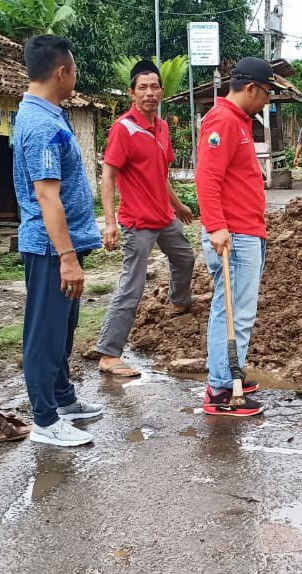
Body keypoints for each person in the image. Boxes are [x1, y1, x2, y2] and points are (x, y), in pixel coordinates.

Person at [11, 35, 104, 446]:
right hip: (50, 248)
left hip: (61, 247)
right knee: (44, 333)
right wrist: (67, 256)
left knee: (62, 330)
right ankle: (45, 421)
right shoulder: (42, 125)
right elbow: (47, 195)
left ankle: (64, 400)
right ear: (62, 71)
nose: (76, 76)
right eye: (75, 69)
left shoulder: (50, 115)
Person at [94, 59, 198, 377]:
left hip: (164, 217)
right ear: (132, 93)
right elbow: (107, 178)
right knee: (132, 287)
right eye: (143, 87)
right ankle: (109, 354)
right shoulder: (123, 129)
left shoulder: (162, 128)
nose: (149, 93)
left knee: (185, 257)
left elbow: (160, 174)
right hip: (137, 222)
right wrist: (110, 222)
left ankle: (179, 301)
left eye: (154, 87)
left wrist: (178, 206)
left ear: (161, 91)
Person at [196, 57, 286, 416]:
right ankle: (221, 389)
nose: (266, 101)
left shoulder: (239, 121)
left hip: (246, 230)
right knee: (234, 312)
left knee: (238, 311)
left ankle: (230, 374)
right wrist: (217, 226)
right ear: (251, 88)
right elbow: (207, 177)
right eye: (265, 93)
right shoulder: (222, 121)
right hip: (233, 234)